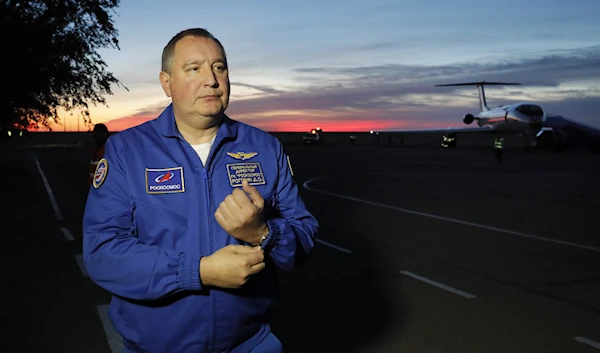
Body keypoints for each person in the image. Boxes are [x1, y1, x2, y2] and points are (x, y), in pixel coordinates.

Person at [83, 28, 318, 353]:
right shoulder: (126, 151)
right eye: (194, 68)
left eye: (219, 67)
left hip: (250, 344)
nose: (211, 79)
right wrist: (198, 271)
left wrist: (263, 232)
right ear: (167, 83)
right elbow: (102, 253)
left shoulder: (265, 148)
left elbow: (304, 239)